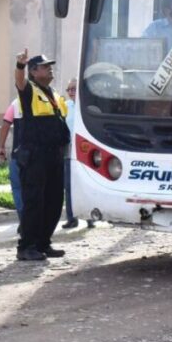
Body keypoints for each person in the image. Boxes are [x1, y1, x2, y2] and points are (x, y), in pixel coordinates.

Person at [12, 50, 69, 261]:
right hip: (35, 156)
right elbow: (19, 82)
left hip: (54, 155)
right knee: (34, 202)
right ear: (34, 72)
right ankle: (26, 246)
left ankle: (44, 243)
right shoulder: (29, 90)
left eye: (50, 66)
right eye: (45, 66)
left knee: (54, 201)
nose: (50, 69)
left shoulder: (53, 93)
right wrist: (20, 65)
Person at [62, 78, 94, 229]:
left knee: (86, 184)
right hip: (69, 149)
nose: (71, 92)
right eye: (69, 89)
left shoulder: (88, 106)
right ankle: (71, 218)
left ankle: (90, 217)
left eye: (74, 89)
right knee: (69, 185)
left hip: (86, 150)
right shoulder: (65, 106)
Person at [0, 97, 24, 228]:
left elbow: (5, 125)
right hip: (37, 156)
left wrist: (1, 147)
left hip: (18, 155)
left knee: (17, 188)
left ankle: (23, 220)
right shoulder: (44, 100)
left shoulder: (16, 103)